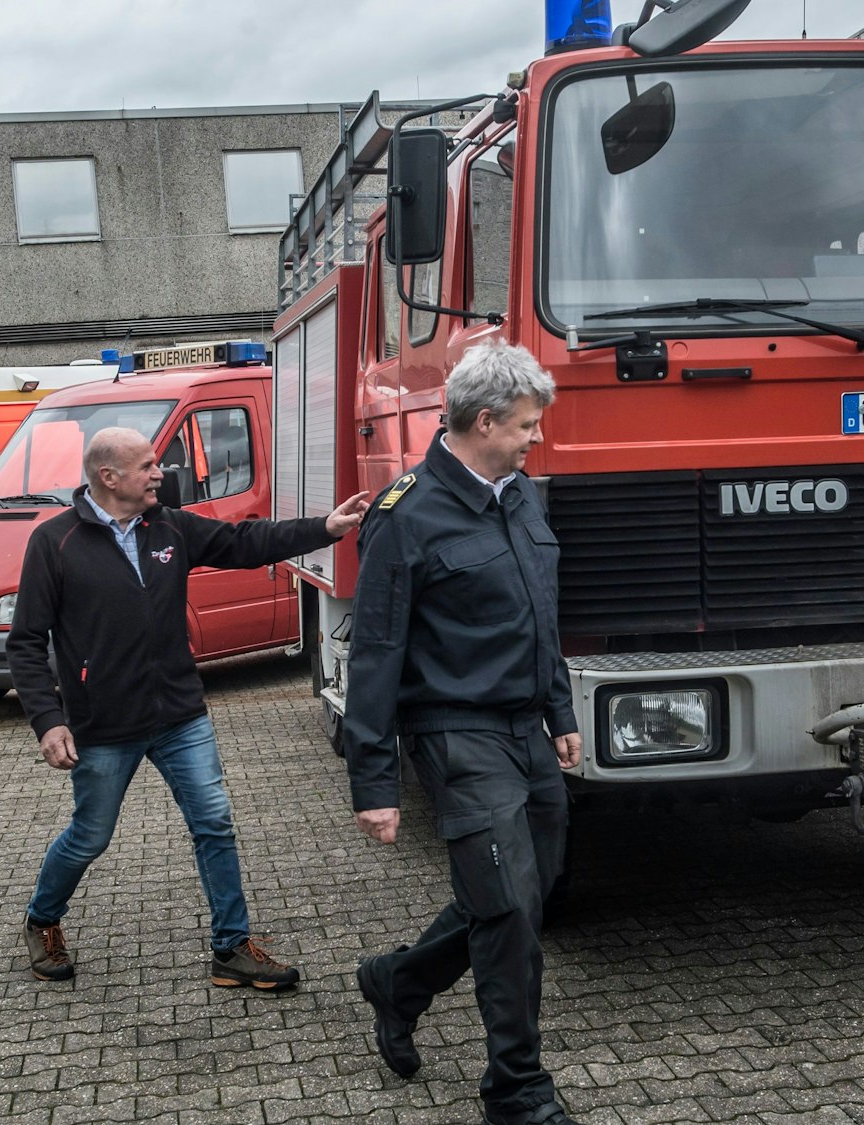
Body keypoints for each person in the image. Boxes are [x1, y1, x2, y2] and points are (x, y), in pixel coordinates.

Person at [8, 425, 370, 988]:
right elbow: (26, 642)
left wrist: (325, 528)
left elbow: (246, 542)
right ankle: (42, 919)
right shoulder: (53, 543)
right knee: (91, 836)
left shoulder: (168, 525)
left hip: (180, 715)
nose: (161, 474)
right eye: (149, 465)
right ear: (109, 477)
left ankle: (230, 947)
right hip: (105, 724)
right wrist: (48, 721)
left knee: (214, 823)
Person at [344, 342, 584, 1125]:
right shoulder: (404, 516)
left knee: (523, 892)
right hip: (455, 732)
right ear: (483, 421)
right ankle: (517, 1090)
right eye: (524, 425)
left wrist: (561, 713)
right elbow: (375, 653)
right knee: (508, 911)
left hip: (526, 728)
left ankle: (399, 982)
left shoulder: (520, 495)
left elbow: (540, 617)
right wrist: (374, 784)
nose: (534, 439)